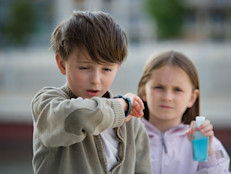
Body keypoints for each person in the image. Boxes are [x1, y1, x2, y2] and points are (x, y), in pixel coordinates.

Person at [31, 10, 152, 174]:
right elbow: (78, 116)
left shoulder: (131, 123)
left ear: (118, 67)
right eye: (84, 67)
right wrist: (120, 106)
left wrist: (121, 108)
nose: (96, 79)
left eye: (107, 69)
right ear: (62, 64)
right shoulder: (47, 103)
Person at [138, 50, 231, 174]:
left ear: (192, 98)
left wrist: (207, 154)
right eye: (159, 87)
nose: (167, 97)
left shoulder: (208, 144)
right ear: (143, 91)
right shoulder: (127, 136)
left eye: (177, 90)